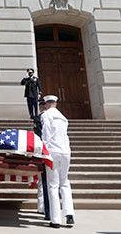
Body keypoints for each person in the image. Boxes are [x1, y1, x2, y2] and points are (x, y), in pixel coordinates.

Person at [41, 95, 75, 228]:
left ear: (46, 104)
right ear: (55, 103)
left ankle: (55, 219)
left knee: (53, 185)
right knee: (65, 182)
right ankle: (69, 214)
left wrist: (43, 150)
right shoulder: (63, 117)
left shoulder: (46, 115)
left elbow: (46, 135)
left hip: (53, 151)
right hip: (66, 151)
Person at [34, 99, 50, 221]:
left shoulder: (39, 118)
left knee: (42, 180)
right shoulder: (57, 118)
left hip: (43, 150)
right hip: (56, 151)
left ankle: (42, 207)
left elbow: (37, 134)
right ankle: (46, 208)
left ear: (40, 107)